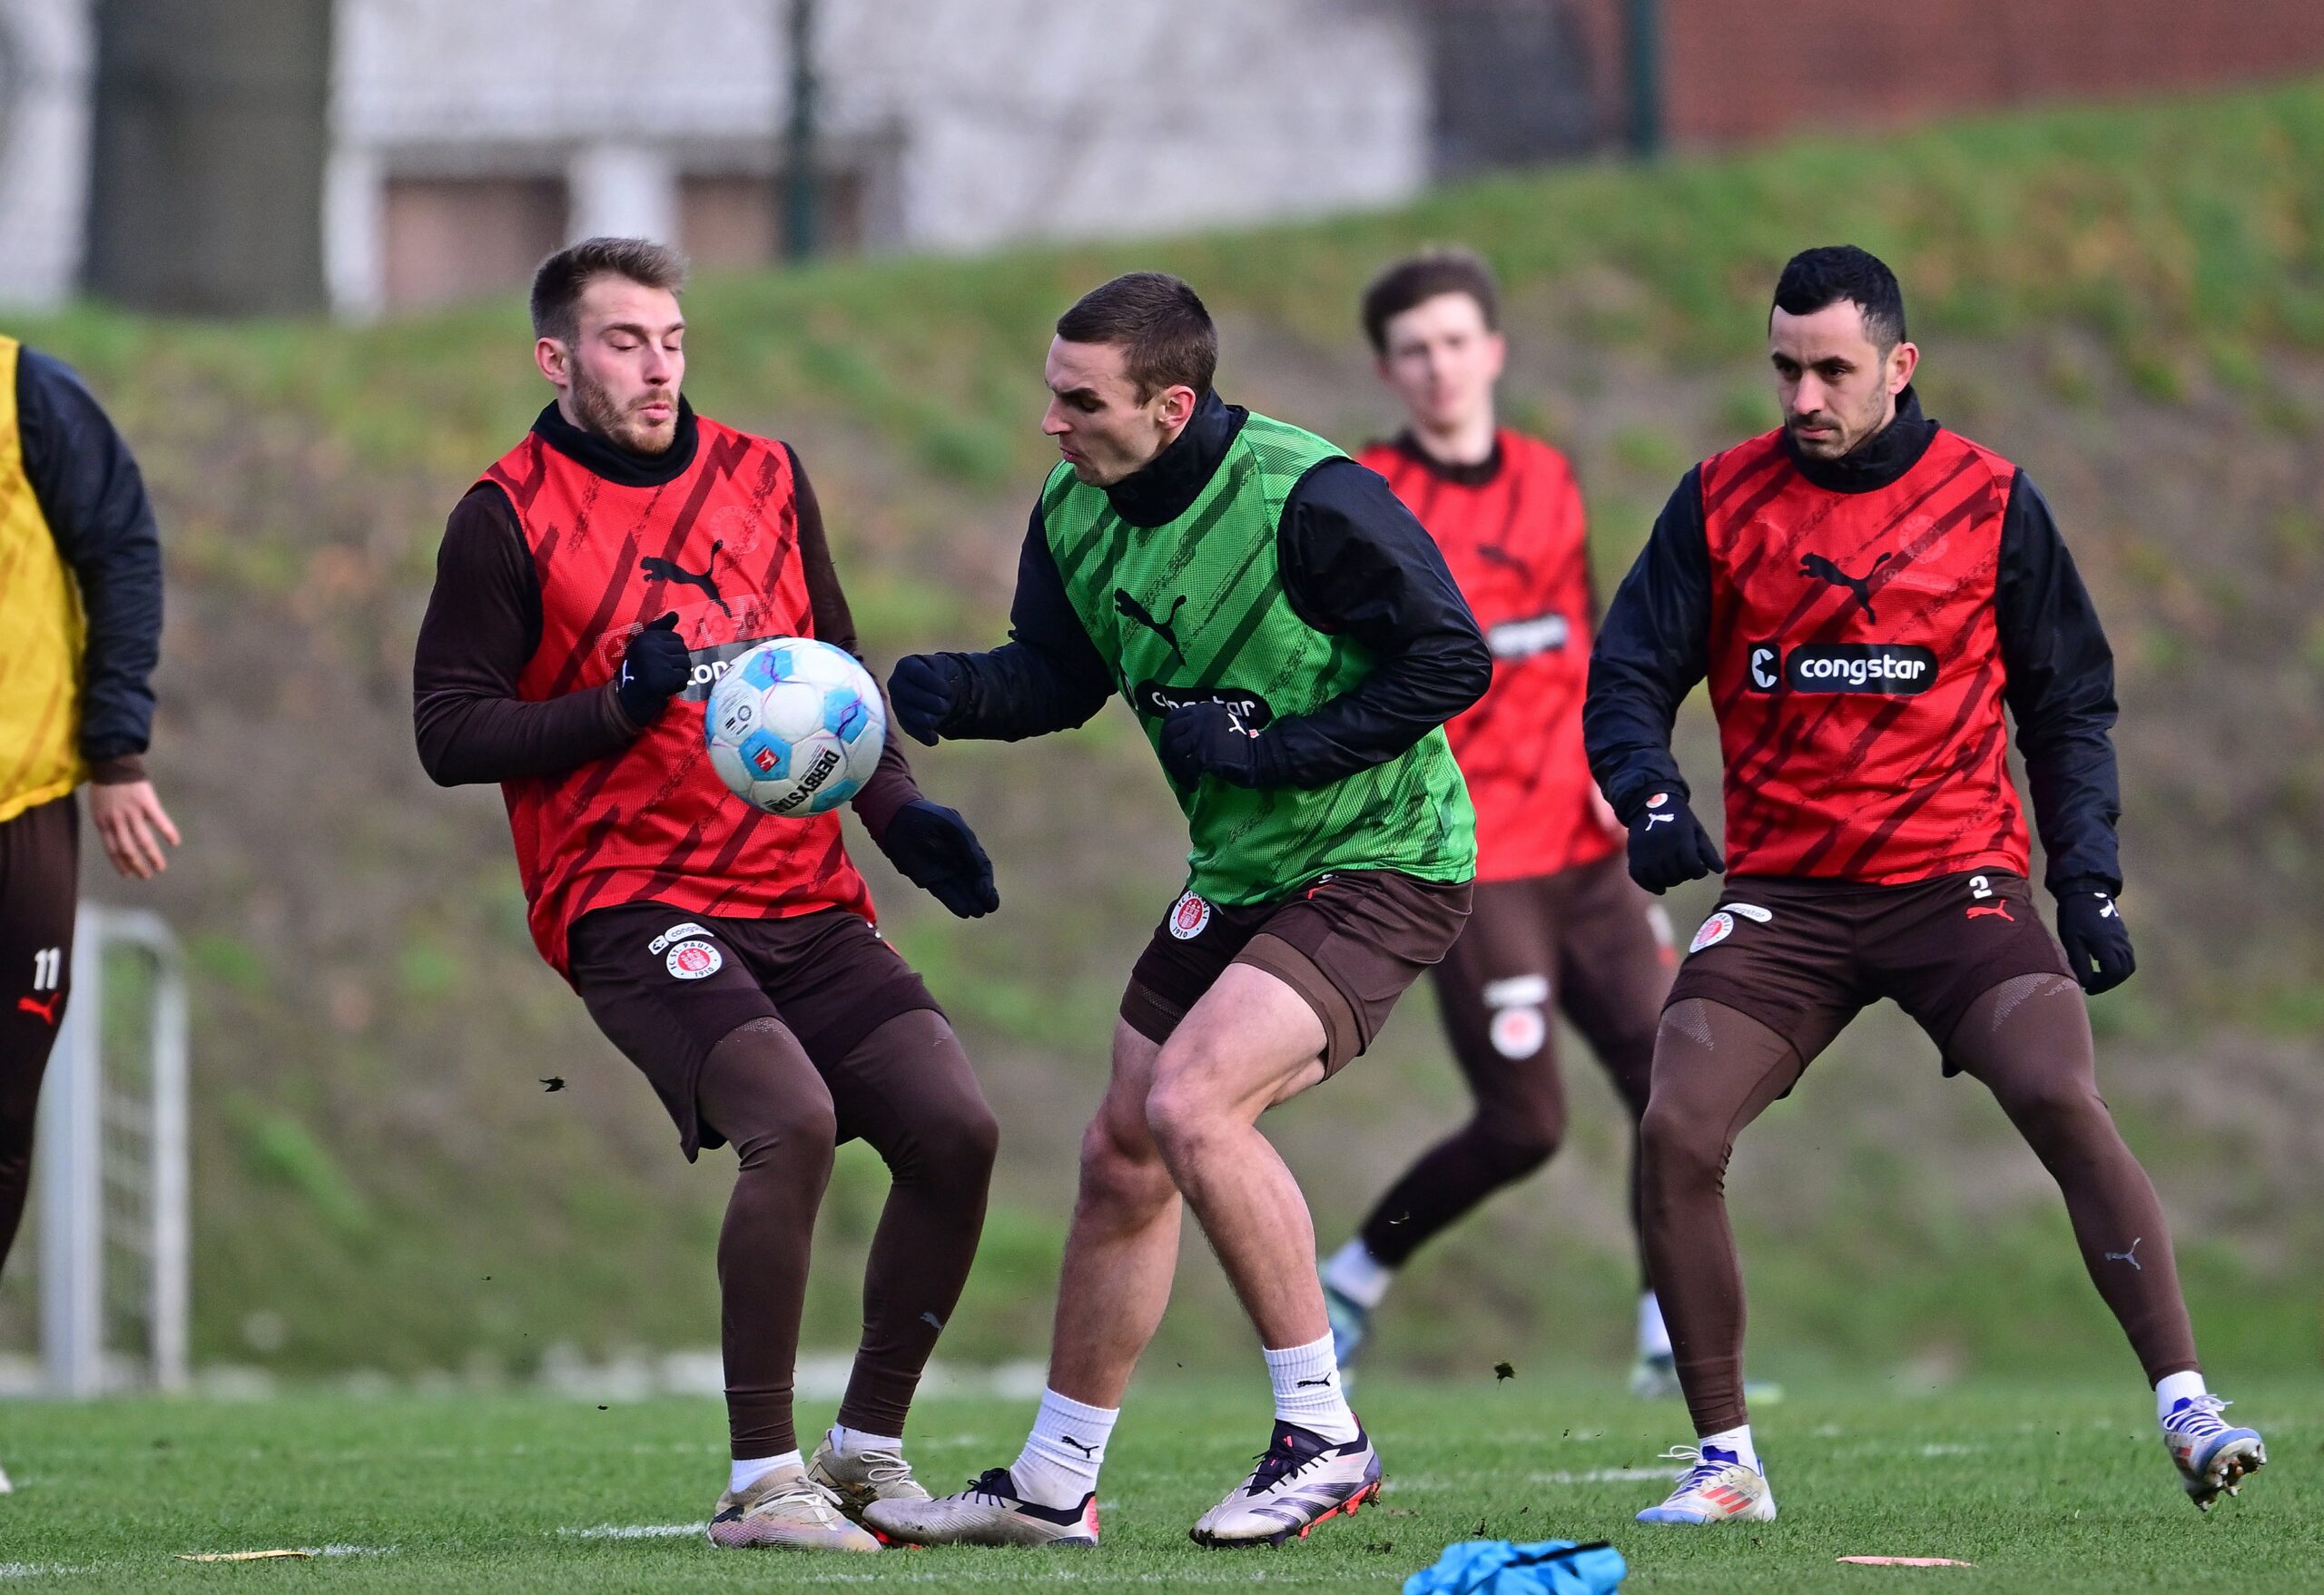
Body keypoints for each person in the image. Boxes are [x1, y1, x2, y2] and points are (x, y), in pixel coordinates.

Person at [1584, 244, 2265, 1524]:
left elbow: (2071, 704)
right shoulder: (1720, 502)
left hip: (1956, 884)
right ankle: (1728, 1462)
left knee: (2060, 1088)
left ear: (1898, 367)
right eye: (1783, 368)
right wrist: (1653, 798)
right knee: (1677, 1127)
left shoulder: (1992, 502)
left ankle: (2186, 1401)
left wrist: (2092, 880)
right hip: (1788, 899)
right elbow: (1626, 676)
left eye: (1831, 369)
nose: (1803, 398)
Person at [864, 271, 1489, 1549]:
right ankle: (1054, 1482)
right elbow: (1061, 672)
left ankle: (1324, 1432)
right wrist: (956, 691)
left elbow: (1451, 658)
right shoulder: (1077, 502)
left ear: (1171, 404)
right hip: (1240, 875)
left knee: (1192, 1103)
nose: (1052, 422)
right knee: (1120, 1156)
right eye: (1052, 390)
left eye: (1080, 400)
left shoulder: (1307, 498)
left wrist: (1272, 748)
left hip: (1385, 858)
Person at [413, 237, 1003, 1554]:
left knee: (956, 1131)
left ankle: (865, 1452)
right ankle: (760, 1480)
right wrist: (612, 708)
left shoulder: (766, 475)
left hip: (799, 891)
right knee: (787, 1119)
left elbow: (833, 672)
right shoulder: (505, 514)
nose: (657, 365)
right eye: (624, 342)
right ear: (555, 358)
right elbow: (447, 731)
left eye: (672, 338)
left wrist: (900, 815)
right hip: (624, 896)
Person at [1319, 249, 1678, 1393]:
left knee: (1678, 1082)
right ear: (1387, 368)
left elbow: (1577, 644)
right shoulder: (1361, 498)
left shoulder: (1550, 480)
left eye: (1455, 342)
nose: (1438, 367)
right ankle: (1356, 1275)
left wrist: (1616, 785)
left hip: (1584, 846)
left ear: (1494, 352)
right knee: (1525, 1121)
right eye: (1413, 350)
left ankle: (1673, 1334)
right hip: (1470, 854)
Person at [0, 334, 175, 1496]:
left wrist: (116, 752)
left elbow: (121, 556)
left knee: (5, 1098)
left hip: (20, 801)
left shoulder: (28, 397)